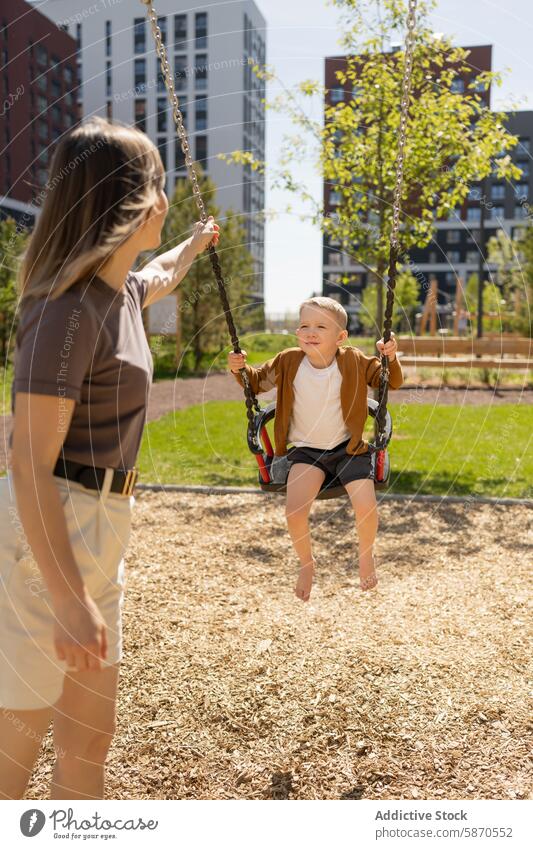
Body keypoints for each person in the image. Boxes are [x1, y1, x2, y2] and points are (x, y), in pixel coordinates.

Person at [0, 116, 219, 800]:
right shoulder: (66, 312)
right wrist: (68, 596)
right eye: (158, 187)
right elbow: (28, 461)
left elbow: (160, 272)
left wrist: (196, 243)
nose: (166, 201)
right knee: (16, 749)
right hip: (49, 533)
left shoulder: (118, 291)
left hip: (101, 526)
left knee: (89, 739)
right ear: (128, 203)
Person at [228, 297, 403, 602]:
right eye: (304, 325)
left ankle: (366, 555)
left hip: (349, 449)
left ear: (340, 337)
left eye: (320, 326)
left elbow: (392, 382)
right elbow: (254, 384)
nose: (310, 332)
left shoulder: (356, 361)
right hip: (307, 452)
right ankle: (307, 564)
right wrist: (239, 369)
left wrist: (390, 356)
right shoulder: (287, 361)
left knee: (366, 507)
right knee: (294, 512)